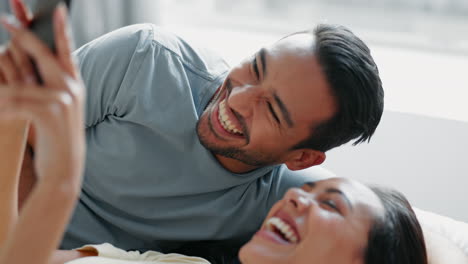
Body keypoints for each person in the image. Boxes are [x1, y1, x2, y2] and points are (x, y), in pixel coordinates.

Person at [0, 0, 384, 261]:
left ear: (301, 158)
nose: (238, 99)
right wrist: (29, 242)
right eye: (256, 67)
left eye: (271, 110)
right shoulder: (145, 59)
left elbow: (403, 235)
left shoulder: (292, 200)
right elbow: (20, 137)